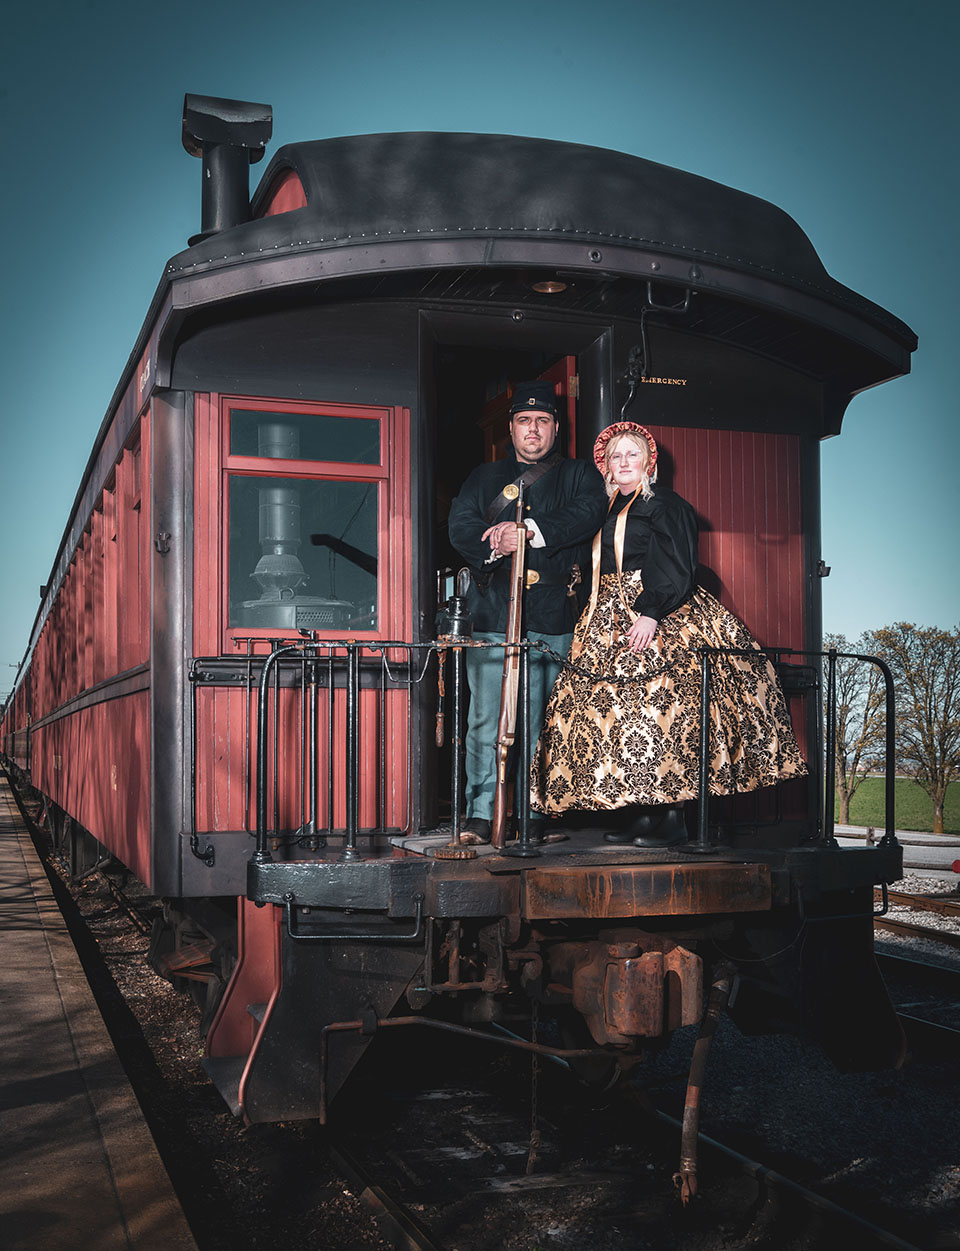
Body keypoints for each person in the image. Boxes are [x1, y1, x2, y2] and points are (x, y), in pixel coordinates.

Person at [531, 421, 807, 845]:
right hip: (604, 618)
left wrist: (650, 614)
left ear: (649, 462)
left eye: (632, 454)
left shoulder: (666, 505)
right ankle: (645, 815)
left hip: (656, 612)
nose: (623, 462)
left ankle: (676, 819)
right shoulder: (605, 510)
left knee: (663, 713)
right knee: (620, 719)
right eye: (615, 456)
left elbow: (678, 563)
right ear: (605, 465)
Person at [447, 382, 608, 842]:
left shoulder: (580, 474)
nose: (532, 430)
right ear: (511, 429)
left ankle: (533, 814)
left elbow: (588, 512)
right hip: (493, 613)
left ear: (555, 429)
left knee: (540, 720)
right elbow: (461, 526)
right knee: (485, 721)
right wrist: (495, 541)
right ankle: (481, 814)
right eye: (523, 421)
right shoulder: (483, 477)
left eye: (542, 422)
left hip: (553, 616)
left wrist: (530, 529)